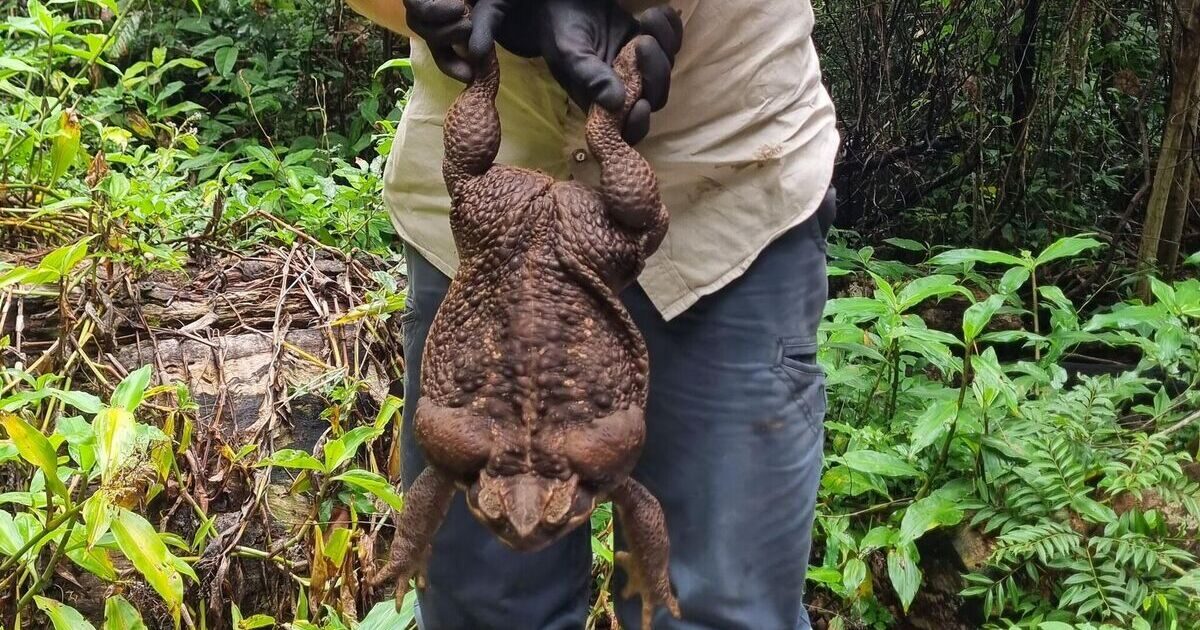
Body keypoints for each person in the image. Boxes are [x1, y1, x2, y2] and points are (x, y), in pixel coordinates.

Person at [346, 1, 840, 628]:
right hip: (492, 228)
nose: (524, 525)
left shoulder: (562, 459)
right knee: (482, 612)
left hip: (723, 183)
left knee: (718, 609)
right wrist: (484, 13)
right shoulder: (549, 461)